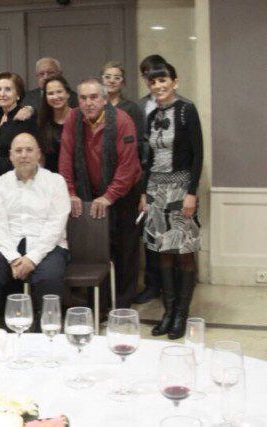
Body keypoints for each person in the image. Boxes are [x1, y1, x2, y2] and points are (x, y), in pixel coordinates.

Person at [59, 78, 142, 308]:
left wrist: (109, 196)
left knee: (125, 250)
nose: (88, 102)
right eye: (83, 98)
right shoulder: (73, 119)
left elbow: (128, 166)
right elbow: (65, 158)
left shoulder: (123, 121)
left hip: (124, 194)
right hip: (88, 192)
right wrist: (70, 192)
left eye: (94, 97)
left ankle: (123, 305)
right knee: (97, 251)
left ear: (105, 99)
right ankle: (101, 305)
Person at [0, 133, 70, 329]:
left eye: (29, 150)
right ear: (10, 156)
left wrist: (32, 258)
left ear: (38, 154)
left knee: (49, 277)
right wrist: (13, 258)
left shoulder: (55, 181)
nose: (23, 155)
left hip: (48, 246)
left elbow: (55, 224)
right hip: (10, 244)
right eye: (18, 151)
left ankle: (46, 336)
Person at [140, 63, 203, 340]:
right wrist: (144, 192)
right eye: (153, 82)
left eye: (163, 80)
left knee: (184, 250)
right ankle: (167, 311)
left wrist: (192, 192)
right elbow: (148, 158)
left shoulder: (186, 110)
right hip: (155, 187)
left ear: (174, 82)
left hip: (180, 186)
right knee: (162, 250)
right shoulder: (152, 114)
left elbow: (198, 154)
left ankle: (181, 313)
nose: (158, 86)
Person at [0, 72, 38, 176]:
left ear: (18, 94)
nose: (2, 94)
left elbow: (28, 160)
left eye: (8, 89)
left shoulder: (25, 119)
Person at [101, 61, 145, 159]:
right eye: (107, 77)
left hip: (125, 161)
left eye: (117, 78)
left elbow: (138, 142)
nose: (112, 81)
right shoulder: (96, 107)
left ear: (122, 83)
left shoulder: (132, 108)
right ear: (102, 80)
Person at [37, 76, 72, 173]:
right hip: (51, 180)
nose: (56, 97)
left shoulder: (79, 119)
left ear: (68, 93)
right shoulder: (42, 122)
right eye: (50, 93)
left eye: (59, 92)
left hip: (76, 181)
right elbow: (41, 158)